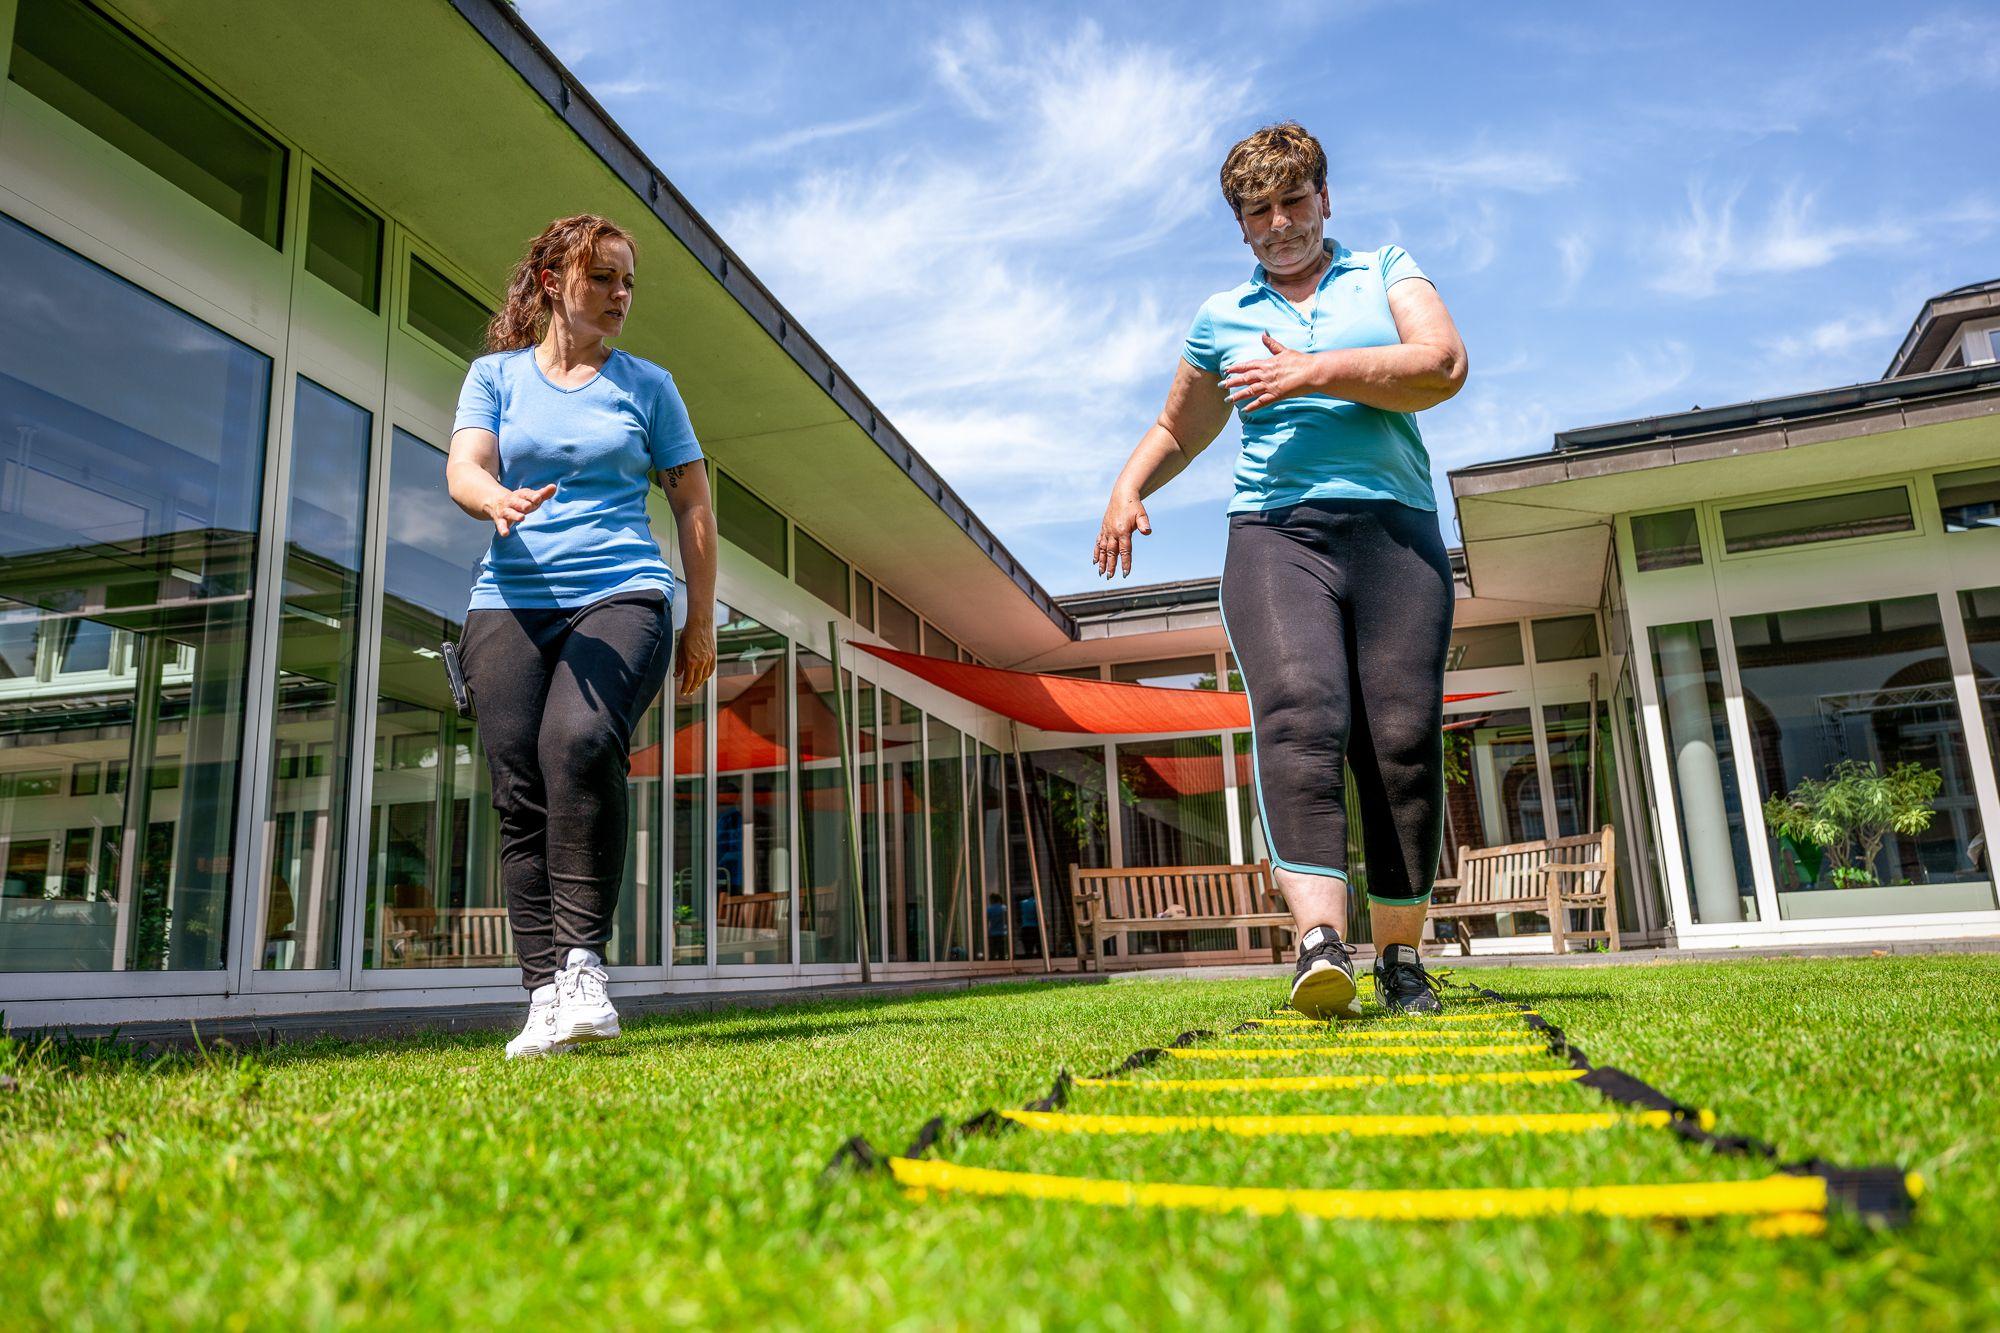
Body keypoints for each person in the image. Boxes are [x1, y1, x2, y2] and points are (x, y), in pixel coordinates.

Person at [1093, 123, 1467, 1018]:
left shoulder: (1385, 270)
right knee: (1302, 710)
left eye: (1294, 200)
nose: (1280, 222)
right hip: (1274, 536)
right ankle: (1318, 945)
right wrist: (1126, 485)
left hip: (1395, 534)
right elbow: (1181, 424)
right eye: (1258, 211)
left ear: (1324, 199)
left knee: (1400, 744)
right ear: (1242, 226)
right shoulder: (1223, 317)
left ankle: (1402, 958)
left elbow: (1443, 364)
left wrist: (1315, 371)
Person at [447, 213, 718, 1058]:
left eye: (628, 281)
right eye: (602, 277)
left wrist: (701, 618)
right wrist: (494, 499)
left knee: (581, 740)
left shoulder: (649, 386)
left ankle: (581, 965)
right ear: (554, 283)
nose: (619, 295)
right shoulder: (495, 377)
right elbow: (465, 465)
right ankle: (541, 996)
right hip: (510, 598)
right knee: (518, 786)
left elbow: (692, 504)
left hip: (621, 590)